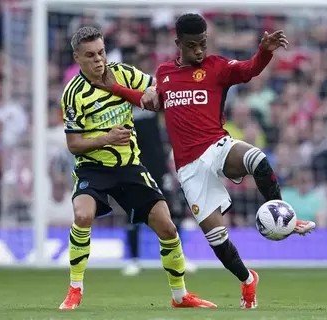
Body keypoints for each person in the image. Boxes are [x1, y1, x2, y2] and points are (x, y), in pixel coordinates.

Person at [94, 13, 315, 309]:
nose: (199, 50)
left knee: (257, 159)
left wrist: (264, 51)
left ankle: (284, 213)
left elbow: (249, 70)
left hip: (217, 145)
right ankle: (248, 279)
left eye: (203, 44)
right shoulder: (164, 74)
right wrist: (116, 89)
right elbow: (151, 103)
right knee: (216, 239)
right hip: (189, 167)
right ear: (178, 44)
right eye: (192, 45)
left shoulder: (217, 67)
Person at [58, 26, 215, 310]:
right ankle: (74, 290)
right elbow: (74, 144)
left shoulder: (123, 73)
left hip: (130, 165)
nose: (98, 60)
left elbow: (156, 88)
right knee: (82, 215)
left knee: (167, 226)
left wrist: (153, 93)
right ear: (77, 58)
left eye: (102, 52)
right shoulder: (73, 94)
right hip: (93, 168)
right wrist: (107, 138)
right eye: (90, 55)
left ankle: (180, 296)